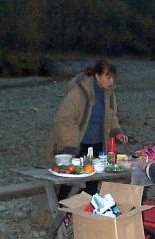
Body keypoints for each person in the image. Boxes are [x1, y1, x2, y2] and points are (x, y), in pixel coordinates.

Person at [46, 59, 128, 199]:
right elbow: (65, 119)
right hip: (76, 143)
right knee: (69, 180)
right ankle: (60, 211)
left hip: (97, 143)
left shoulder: (108, 93)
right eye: (108, 77)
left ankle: (87, 213)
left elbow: (111, 115)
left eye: (113, 78)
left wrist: (116, 132)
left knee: (93, 181)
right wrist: (71, 145)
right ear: (97, 76)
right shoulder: (79, 91)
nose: (112, 81)